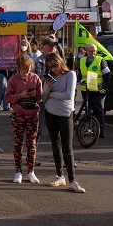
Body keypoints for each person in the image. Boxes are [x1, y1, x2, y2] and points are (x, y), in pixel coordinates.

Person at [42, 53, 85, 193]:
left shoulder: (70, 74)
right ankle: (60, 176)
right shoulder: (50, 78)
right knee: (55, 144)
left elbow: (69, 95)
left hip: (65, 113)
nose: (53, 69)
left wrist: (51, 94)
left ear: (60, 62)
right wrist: (48, 87)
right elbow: (42, 97)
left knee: (67, 146)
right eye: (50, 67)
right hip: (50, 112)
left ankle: (73, 180)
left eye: (54, 65)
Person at [4, 55, 43, 184]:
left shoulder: (35, 78)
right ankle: (18, 172)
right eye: (24, 68)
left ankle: (31, 172)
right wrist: (20, 96)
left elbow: (41, 97)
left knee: (31, 144)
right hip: (19, 115)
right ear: (19, 67)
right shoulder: (13, 80)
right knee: (18, 143)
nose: (27, 70)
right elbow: (8, 98)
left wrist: (35, 95)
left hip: (33, 114)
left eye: (29, 67)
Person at [79, 43, 111, 138]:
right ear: (86, 51)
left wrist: (104, 88)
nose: (92, 52)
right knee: (88, 110)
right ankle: (89, 129)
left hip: (98, 90)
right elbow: (79, 74)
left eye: (94, 51)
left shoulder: (100, 60)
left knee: (98, 110)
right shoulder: (81, 60)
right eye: (90, 51)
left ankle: (100, 131)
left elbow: (107, 75)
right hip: (86, 89)